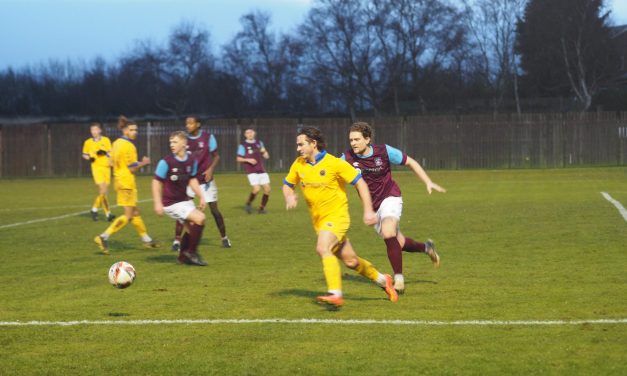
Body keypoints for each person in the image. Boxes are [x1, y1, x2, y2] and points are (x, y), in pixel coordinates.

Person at [282, 126, 398, 308]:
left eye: (301, 144)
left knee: (322, 248)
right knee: (351, 261)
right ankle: (384, 280)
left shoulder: (335, 163)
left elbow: (360, 183)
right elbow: (288, 184)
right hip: (319, 222)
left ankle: (335, 293)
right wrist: (289, 195)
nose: (298, 148)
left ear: (313, 143)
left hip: (337, 218)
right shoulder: (299, 164)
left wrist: (368, 211)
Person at [342, 122, 446, 294]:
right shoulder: (346, 158)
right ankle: (427, 248)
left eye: (357, 139)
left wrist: (428, 181)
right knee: (399, 242)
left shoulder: (384, 151)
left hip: (390, 197)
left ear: (367, 139)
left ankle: (398, 280)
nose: (353, 143)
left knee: (388, 231)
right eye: (351, 140)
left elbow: (410, 162)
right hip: (372, 206)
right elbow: (330, 170)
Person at [94, 116, 160, 254]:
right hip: (127, 182)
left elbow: (110, 162)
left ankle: (147, 240)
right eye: (131, 130)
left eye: (136, 130)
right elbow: (132, 168)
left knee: (135, 212)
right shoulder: (129, 146)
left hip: (118, 180)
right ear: (125, 130)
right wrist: (144, 163)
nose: (135, 132)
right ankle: (103, 237)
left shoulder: (116, 143)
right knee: (128, 215)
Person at [171, 116, 232, 251]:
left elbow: (216, 156)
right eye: (186, 123)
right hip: (190, 181)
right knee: (183, 210)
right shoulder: (184, 140)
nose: (188, 125)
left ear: (198, 124)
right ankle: (176, 241)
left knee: (214, 211)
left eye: (191, 123)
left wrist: (210, 169)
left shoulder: (208, 137)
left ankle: (224, 238)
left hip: (206, 181)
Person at [152, 131, 208, 266]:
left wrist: (201, 196)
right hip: (171, 203)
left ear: (184, 143)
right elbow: (156, 182)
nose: (172, 145)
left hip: (184, 200)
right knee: (200, 218)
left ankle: (182, 258)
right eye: (171, 142)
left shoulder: (191, 160)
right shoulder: (166, 162)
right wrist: (157, 203)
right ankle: (192, 253)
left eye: (175, 142)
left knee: (192, 228)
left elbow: (192, 179)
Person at [82, 122, 115, 222]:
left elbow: (110, 153)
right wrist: (89, 158)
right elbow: (84, 154)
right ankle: (95, 209)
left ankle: (107, 213)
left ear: (100, 130)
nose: (94, 132)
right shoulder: (88, 142)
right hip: (97, 168)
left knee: (104, 192)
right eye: (92, 130)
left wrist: (105, 152)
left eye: (95, 130)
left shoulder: (106, 140)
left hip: (106, 168)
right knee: (103, 190)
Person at [236, 128, 271, 214]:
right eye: (247, 133)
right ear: (245, 135)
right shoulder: (243, 145)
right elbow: (238, 158)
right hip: (251, 170)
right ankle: (248, 203)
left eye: (251, 132)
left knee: (267, 189)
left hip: (261, 169)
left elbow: (264, 152)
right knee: (257, 189)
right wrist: (248, 160)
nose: (250, 134)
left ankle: (261, 208)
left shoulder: (259, 143)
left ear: (254, 133)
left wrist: (266, 154)